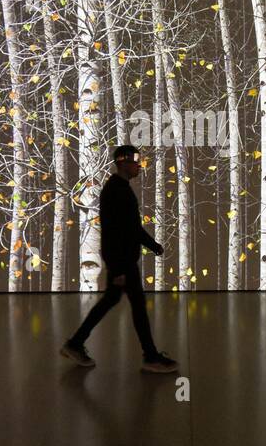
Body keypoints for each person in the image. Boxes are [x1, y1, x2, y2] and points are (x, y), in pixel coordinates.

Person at [62, 145, 179, 373]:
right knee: (136, 307)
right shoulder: (117, 190)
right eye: (136, 162)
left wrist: (151, 245)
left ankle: (75, 343)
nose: (139, 166)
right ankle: (150, 357)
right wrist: (119, 268)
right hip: (122, 262)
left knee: (115, 302)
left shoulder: (119, 188)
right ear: (123, 162)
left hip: (122, 261)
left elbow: (130, 228)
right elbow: (118, 231)